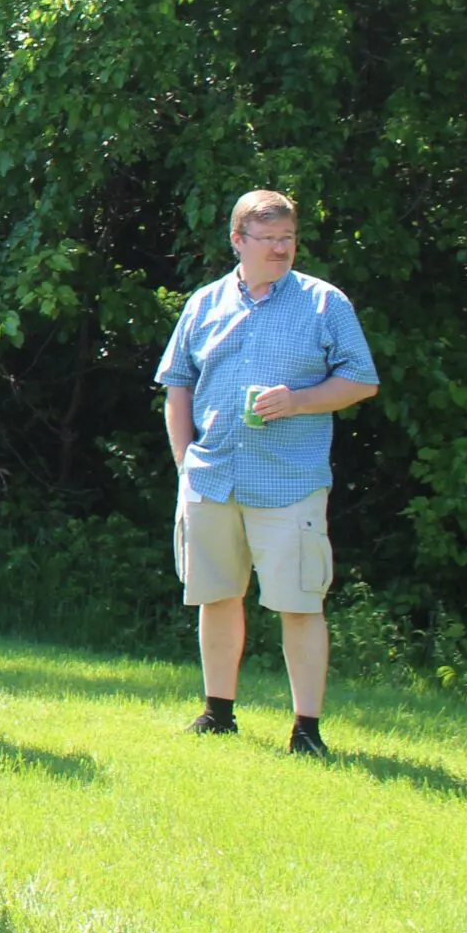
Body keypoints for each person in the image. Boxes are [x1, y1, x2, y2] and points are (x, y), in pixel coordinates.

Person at [156, 189, 377, 756]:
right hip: (211, 478)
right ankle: (217, 714)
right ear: (238, 242)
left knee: (300, 603)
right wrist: (185, 461)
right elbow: (176, 383)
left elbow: (362, 380)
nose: (281, 249)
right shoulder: (203, 304)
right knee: (217, 596)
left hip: (289, 481)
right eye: (269, 239)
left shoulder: (325, 303)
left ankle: (306, 731)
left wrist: (298, 401)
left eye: (288, 239)